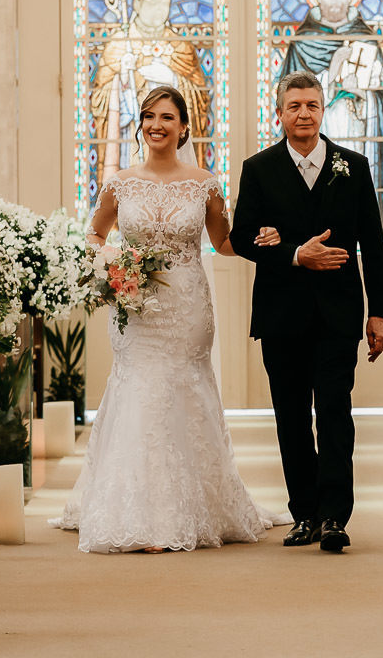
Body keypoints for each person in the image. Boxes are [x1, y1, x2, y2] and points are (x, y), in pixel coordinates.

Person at [51, 85, 286, 553]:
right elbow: (94, 235)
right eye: (149, 116)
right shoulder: (120, 182)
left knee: (183, 388)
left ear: (183, 127)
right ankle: (139, 512)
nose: (156, 125)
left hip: (187, 305)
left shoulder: (205, 183)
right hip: (137, 305)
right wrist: (116, 266)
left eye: (167, 117)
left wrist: (269, 240)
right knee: (139, 389)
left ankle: (194, 504)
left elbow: (223, 242)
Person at [230, 71, 383, 553]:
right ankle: (304, 514)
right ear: (278, 113)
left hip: (339, 314)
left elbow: (373, 245)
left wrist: (379, 313)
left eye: (312, 106)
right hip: (282, 316)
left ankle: (335, 517)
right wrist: (296, 254)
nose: (303, 114)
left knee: (336, 414)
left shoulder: (354, 166)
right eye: (294, 105)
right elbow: (241, 239)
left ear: (323, 111)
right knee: (292, 418)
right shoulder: (258, 169)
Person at [280, 0, 383, 228]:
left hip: (358, 130)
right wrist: (331, 75)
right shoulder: (303, 41)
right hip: (320, 130)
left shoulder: (365, 38)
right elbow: (289, 95)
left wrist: (364, 94)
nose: (334, 0)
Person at [91, 0, 210, 180]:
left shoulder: (180, 46)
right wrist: (121, 80)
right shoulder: (118, 45)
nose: (159, 12)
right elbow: (99, 103)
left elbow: (200, 100)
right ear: (137, 5)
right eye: (152, 4)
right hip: (129, 148)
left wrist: (173, 80)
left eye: (163, 4)